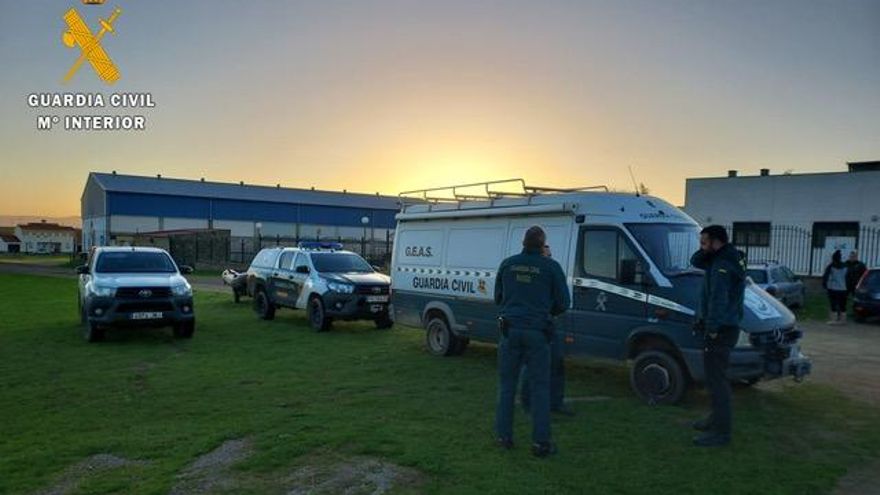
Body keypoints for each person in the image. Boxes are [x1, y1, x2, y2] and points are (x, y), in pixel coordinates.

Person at [494, 227, 570, 457]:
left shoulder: (507, 264)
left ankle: (503, 437)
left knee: (507, 387)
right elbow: (563, 303)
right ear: (543, 244)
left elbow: (498, 298)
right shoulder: (551, 267)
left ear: (523, 242)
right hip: (538, 333)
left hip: (510, 332)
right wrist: (546, 311)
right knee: (540, 388)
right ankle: (540, 443)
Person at [689, 225, 745, 448]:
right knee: (714, 380)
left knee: (717, 382)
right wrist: (706, 250)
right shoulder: (721, 257)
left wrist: (711, 329)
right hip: (724, 327)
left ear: (716, 242)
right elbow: (695, 261)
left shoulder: (722, 265)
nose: (701, 247)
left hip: (720, 330)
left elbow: (718, 300)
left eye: (704, 242)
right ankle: (714, 419)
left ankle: (721, 433)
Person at [520, 243, 574, 416]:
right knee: (532, 365)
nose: (550, 258)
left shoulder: (550, 274)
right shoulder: (530, 276)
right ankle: (528, 403)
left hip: (548, 324)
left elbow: (562, 300)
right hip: (533, 327)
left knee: (557, 363)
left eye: (551, 256)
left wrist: (553, 312)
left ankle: (556, 403)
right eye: (547, 255)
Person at [822, 250, 849, 325]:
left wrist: (825, 285)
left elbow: (826, 277)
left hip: (833, 289)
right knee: (843, 305)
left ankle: (834, 320)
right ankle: (843, 320)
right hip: (843, 289)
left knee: (833, 304)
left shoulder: (831, 266)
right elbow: (849, 278)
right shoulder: (845, 266)